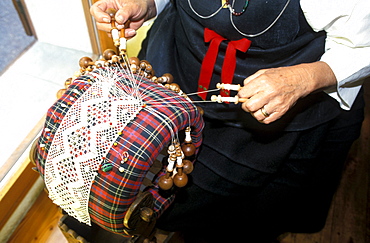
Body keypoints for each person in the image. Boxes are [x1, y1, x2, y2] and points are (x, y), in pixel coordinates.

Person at [90, 0, 370, 242]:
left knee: (242, 214)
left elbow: (363, 43)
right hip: (179, 67)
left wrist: (303, 79)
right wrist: (149, 3)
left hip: (270, 110)